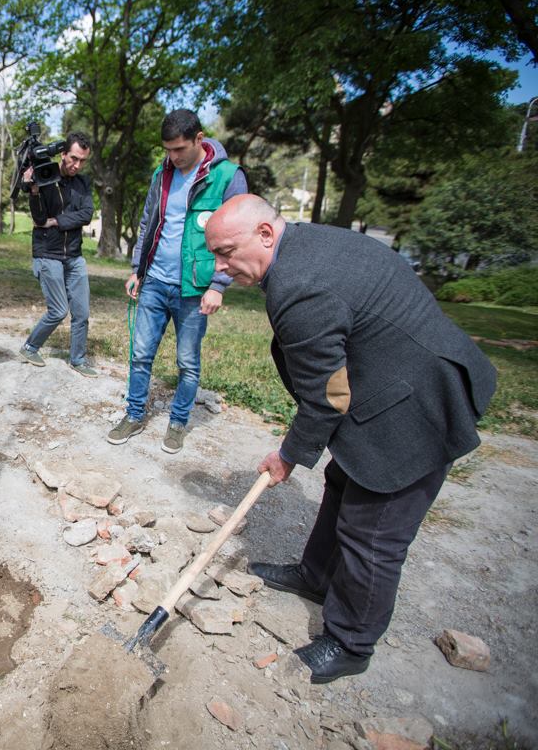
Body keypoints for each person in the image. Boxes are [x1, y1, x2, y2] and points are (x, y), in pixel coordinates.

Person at [203, 194, 497, 684]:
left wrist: (289, 455)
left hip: (417, 407)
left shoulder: (298, 286)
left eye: (227, 252)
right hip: (392, 380)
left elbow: (327, 396)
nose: (221, 266)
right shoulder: (308, 244)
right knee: (344, 480)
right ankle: (315, 576)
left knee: (373, 532)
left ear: (265, 234)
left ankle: (351, 642)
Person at [107, 110, 248, 452]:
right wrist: (138, 269)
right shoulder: (162, 173)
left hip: (194, 288)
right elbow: (148, 223)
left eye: (179, 149)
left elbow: (239, 236)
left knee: (187, 362)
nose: (173, 156)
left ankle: (178, 422)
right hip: (155, 281)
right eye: (168, 150)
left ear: (199, 139)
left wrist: (218, 285)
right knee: (140, 354)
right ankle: (134, 414)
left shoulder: (228, 177)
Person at [16, 131, 97, 376]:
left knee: (82, 312)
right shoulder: (45, 176)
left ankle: (78, 360)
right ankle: (30, 347)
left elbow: (87, 214)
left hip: (74, 255)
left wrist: (58, 221)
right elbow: (40, 219)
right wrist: (34, 191)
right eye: (74, 158)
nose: (77, 165)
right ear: (63, 153)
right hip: (47, 254)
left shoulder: (83, 183)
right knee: (59, 310)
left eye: (82, 161)